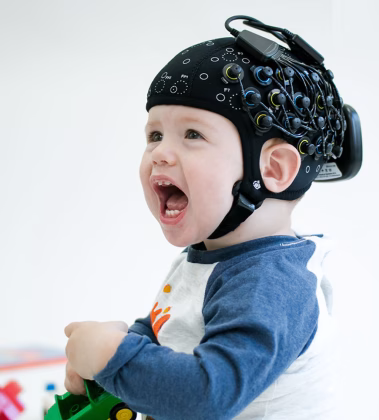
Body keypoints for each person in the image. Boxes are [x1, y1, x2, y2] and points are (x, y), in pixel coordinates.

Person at [63, 20, 348, 419]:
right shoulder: (207, 258)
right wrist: (128, 342)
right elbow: (175, 329)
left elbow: (208, 396)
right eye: (155, 135)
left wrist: (114, 357)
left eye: (192, 135)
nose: (160, 153)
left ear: (273, 169)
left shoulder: (270, 282)